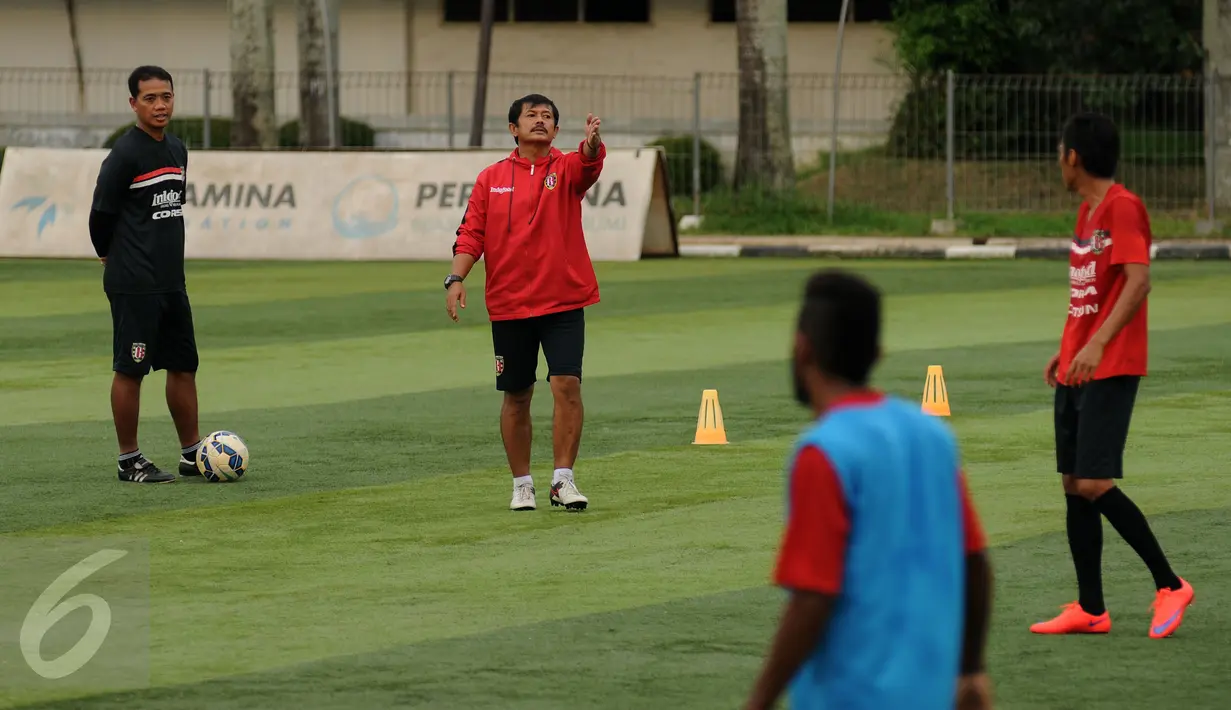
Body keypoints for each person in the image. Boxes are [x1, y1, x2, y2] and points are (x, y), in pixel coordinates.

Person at [743, 270, 994, 710]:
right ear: (877, 354)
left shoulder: (823, 451)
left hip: (850, 696)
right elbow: (974, 563)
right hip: (932, 693)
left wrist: (759, 699)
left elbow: (814, 597)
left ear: (802, 350)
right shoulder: (931, 434)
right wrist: (970, 670)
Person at [1032, 112, 1194, 638]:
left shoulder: (1123, 208)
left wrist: (1099, 343)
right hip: (1079, 367)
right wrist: (1068, 348)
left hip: (1113, 365)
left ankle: (1170, 585)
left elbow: (1139, 281)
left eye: (1060, 151)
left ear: (1072, 157)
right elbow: (1087, 293)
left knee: (1095, 481)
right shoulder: (1086, 214)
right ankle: (1091, 608)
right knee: (1073, 485)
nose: (1058, 160)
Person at [446, 94, 605, 512]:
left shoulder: (567, 168)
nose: (540, 121)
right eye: (531, 116)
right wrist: (456, 277)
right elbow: (471, 234)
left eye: (547, 117)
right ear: (513, 129)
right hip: (510, 304)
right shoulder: (490, 178)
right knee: (517, 394)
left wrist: (590, 144)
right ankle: (522, 485)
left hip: (563, 300)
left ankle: (563, 480)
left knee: (566, 384)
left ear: (556, 131)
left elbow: (589, 164)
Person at [89, 65, 202, 484]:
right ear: (133, 103)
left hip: (172, 281)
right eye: (150, 98)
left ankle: (191, 454)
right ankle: (128, 459)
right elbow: (100, 215)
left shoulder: (176, 149)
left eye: (166, 97)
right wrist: (109, 256)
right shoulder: (124, 154)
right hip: (134, 283)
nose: (160, 105)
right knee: (131, 368)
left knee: (183, 364)